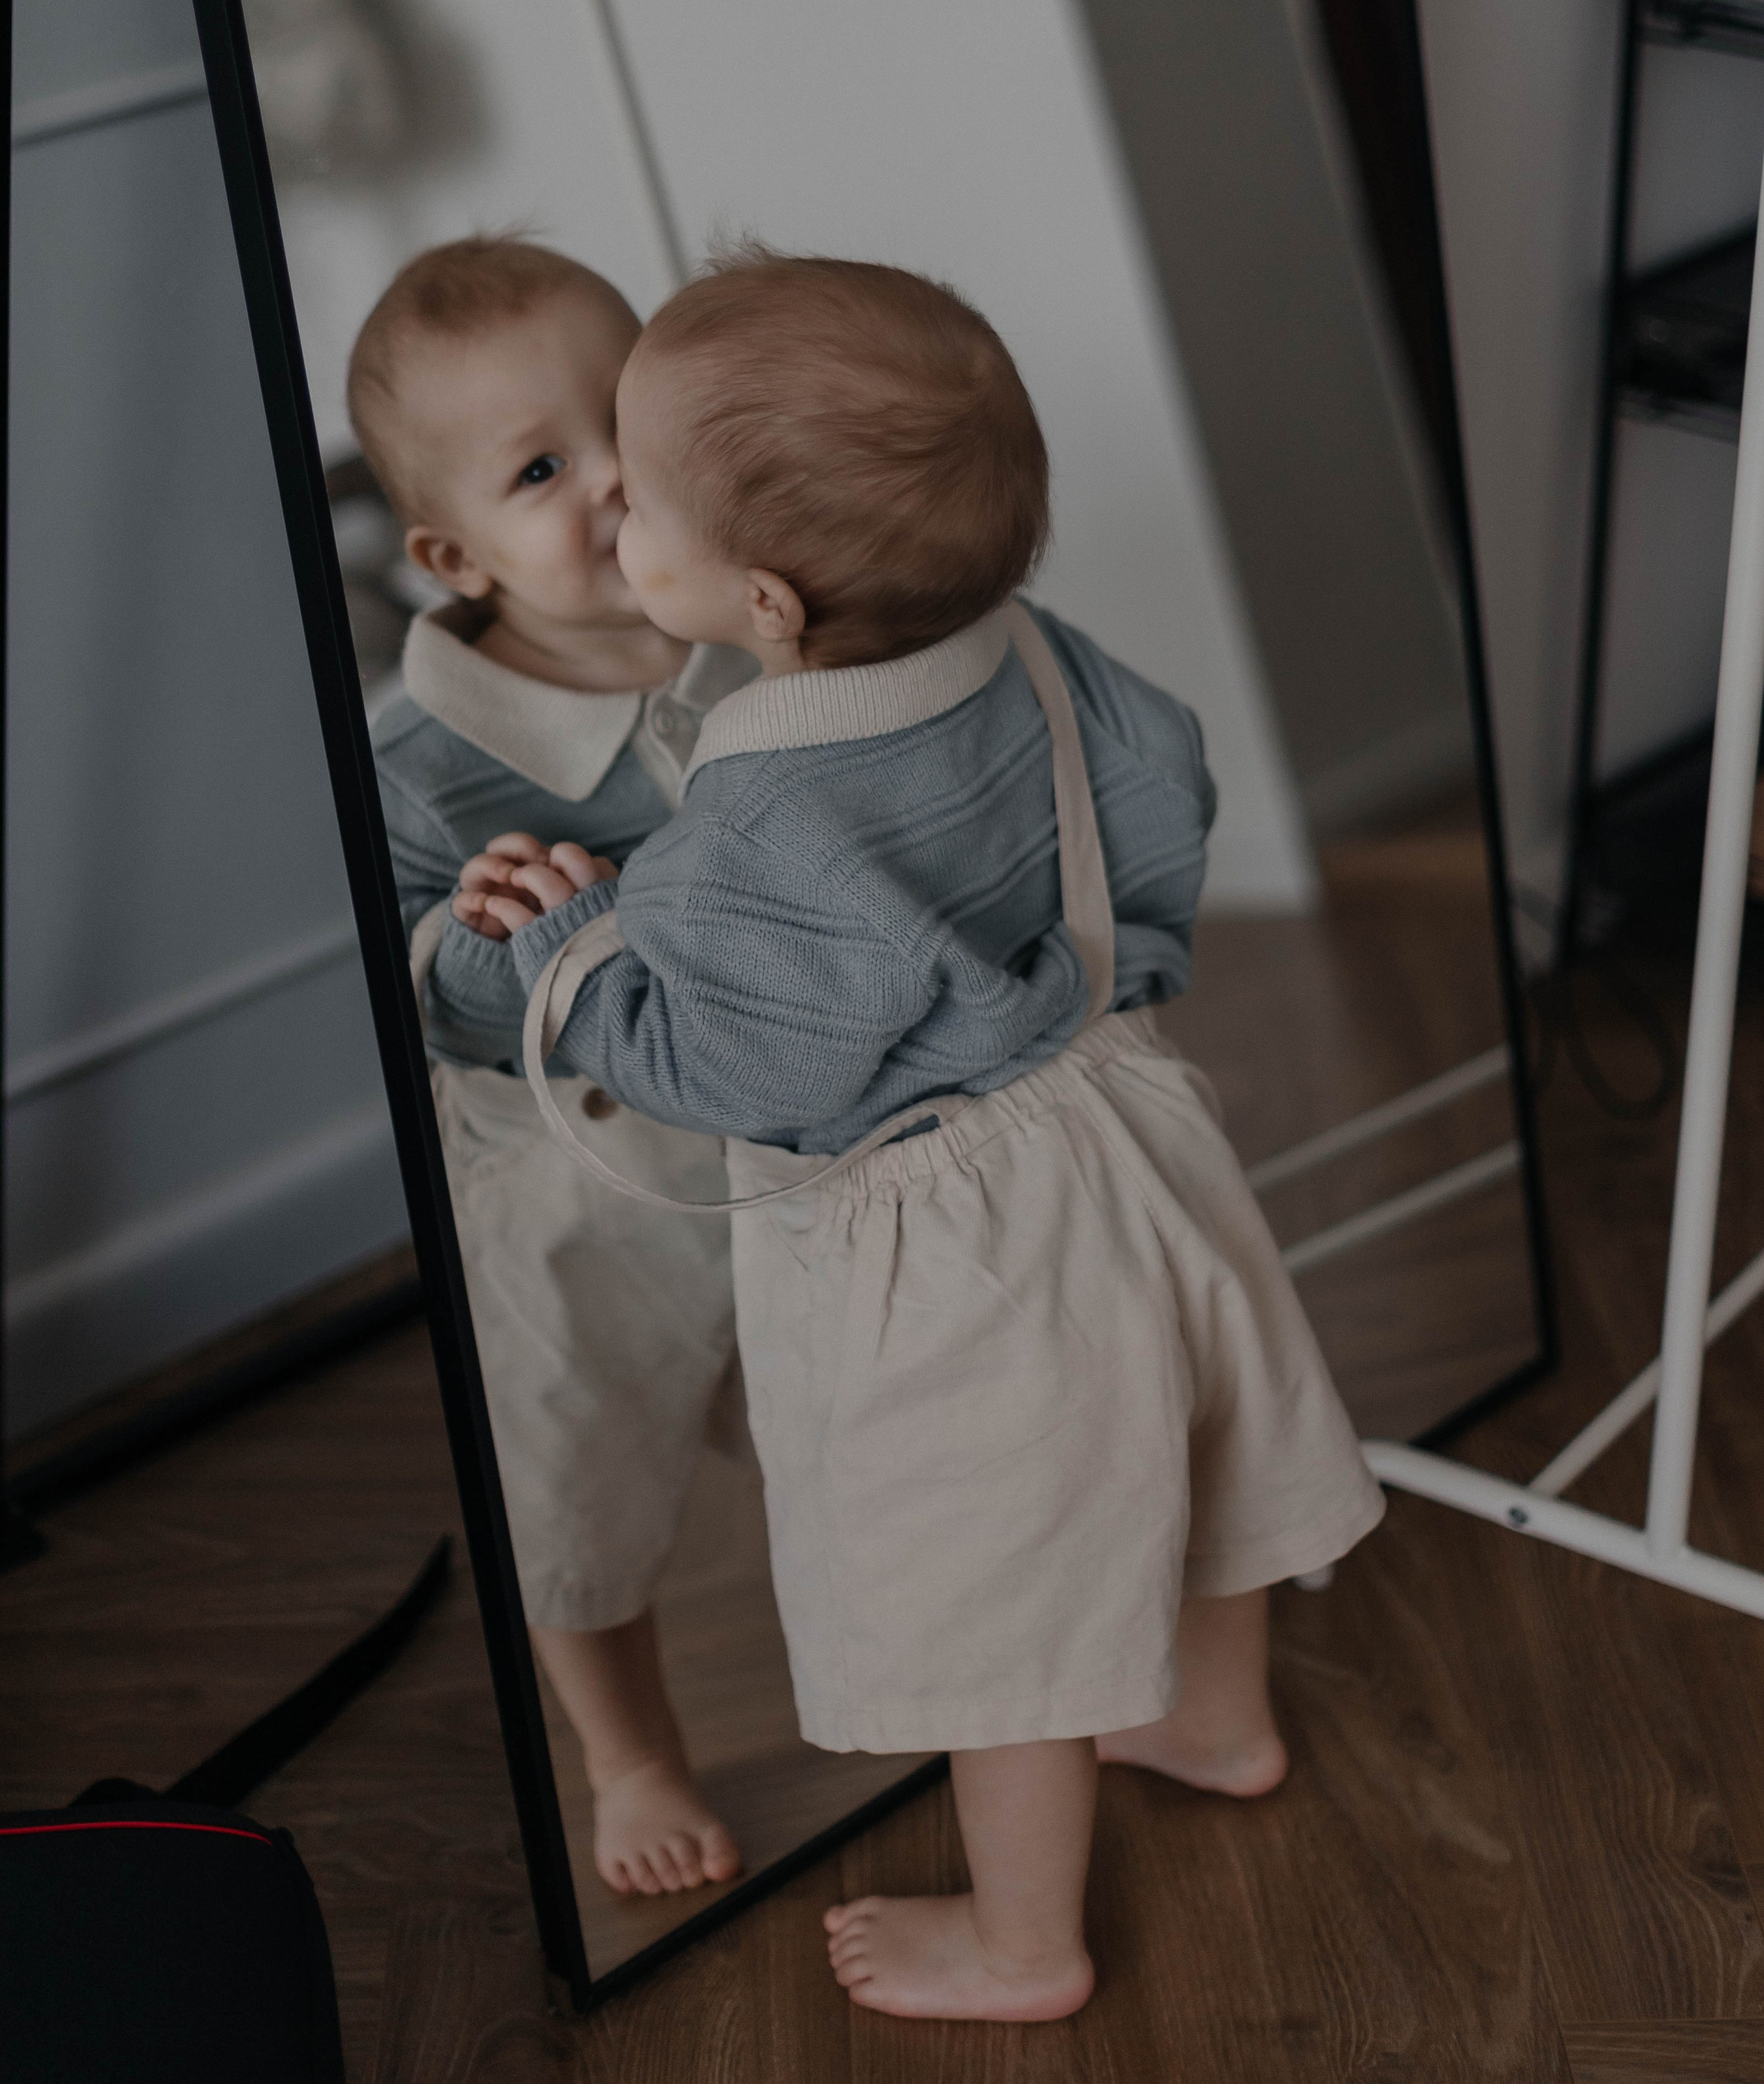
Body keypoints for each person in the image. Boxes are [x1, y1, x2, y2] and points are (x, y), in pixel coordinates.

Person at [452, 248, 1384, 2023]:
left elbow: (734, 1072)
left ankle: (1024, 1941)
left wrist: (579, 944)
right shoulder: (1028, 647)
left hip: (950, 1241)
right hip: (1116, 1121)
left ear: (769, 606)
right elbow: (1159, 778)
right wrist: (1125, 968)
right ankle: (1215, 1714)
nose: (611, 513)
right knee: (1181, 1448)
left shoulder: (756, 815)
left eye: (635, 495)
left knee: (1003, 1602)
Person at [350, 233, 755, 1900]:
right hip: (568, 1180)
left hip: (772, 1121)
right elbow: (411, 985)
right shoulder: (425, 758)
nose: (609, 480)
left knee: (857, 1404)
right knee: (569, 1468)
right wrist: (485, 935)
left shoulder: (747, 618)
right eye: (540, 467)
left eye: (622, 420)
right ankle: (630, 1746)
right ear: (454, 555)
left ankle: (962, 1646)